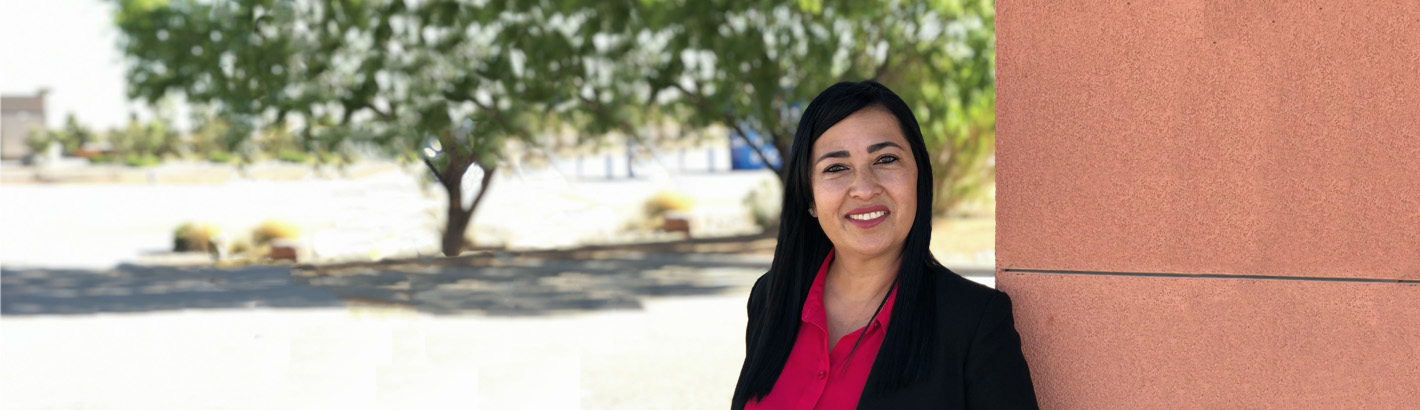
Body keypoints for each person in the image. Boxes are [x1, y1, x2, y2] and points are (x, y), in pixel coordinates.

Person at [732, 81, 1038, 410]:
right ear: (809, 198)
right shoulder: (770, 298)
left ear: (919, 177)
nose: (864, 188)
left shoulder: (973, 322)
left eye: (886, 159)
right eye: (836, 168)